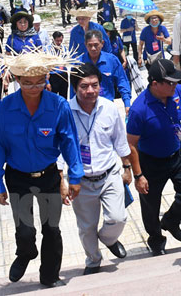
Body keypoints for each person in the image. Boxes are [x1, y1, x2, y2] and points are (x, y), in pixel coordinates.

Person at [0, 48, 84, 288]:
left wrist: (75, 175)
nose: (34, 87)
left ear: (47, 79)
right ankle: (26, 252)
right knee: (25, 229)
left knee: (51, 229)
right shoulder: (3, 109)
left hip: (48, 175)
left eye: (40, 82)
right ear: (17, 80)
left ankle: (49, 275)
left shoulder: (58, 106)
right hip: (17, 177)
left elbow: (69, 141)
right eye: (28, 83)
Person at [126, 59, 181, 256]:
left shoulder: (177, 92)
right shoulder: (139, 109)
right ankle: (156, 239)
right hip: (150, 162)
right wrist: (138, 175)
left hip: (176, 154)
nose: (175, 85)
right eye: (170, 82)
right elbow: (131, 145)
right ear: (155, 84)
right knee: (151, 206)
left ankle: (171, 220)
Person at [65, 63, 131, 275]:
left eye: (95, 85)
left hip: (109, 173)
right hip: (81, 180)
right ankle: (93, 261)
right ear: (75, 87)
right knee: (86, 228)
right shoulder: (66, 111)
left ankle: (108, 239)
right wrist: (62, 179)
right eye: (84, 86)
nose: (90, 91)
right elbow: (59, 147)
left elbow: (120, 140)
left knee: (118, 217)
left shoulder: (109, 108)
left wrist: (127, 167)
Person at [76, 30, 131, 113]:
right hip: (85, 108)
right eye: (90, 45)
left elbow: (122, 81)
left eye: (96, 45)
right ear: (85, 45)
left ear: (102, 43)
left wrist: (127, 104)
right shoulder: (78, 63)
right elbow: (74, 88)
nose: (93, 48)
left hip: (107, 107)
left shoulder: (112, 60)